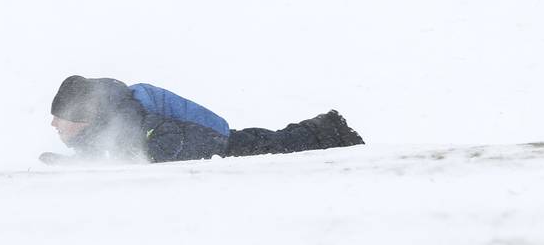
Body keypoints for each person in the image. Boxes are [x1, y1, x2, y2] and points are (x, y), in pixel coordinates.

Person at [40, 75, 364, 165]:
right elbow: (106, 153)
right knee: (269, 141)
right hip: (206, 139)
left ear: (80, 118)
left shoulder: (126, 117)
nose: (54, 125)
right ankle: (329, 128)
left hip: (211, 140)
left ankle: (331, 129)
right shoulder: (108, 120)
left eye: (59, 119)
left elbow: (143, 147)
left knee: (275, 146)